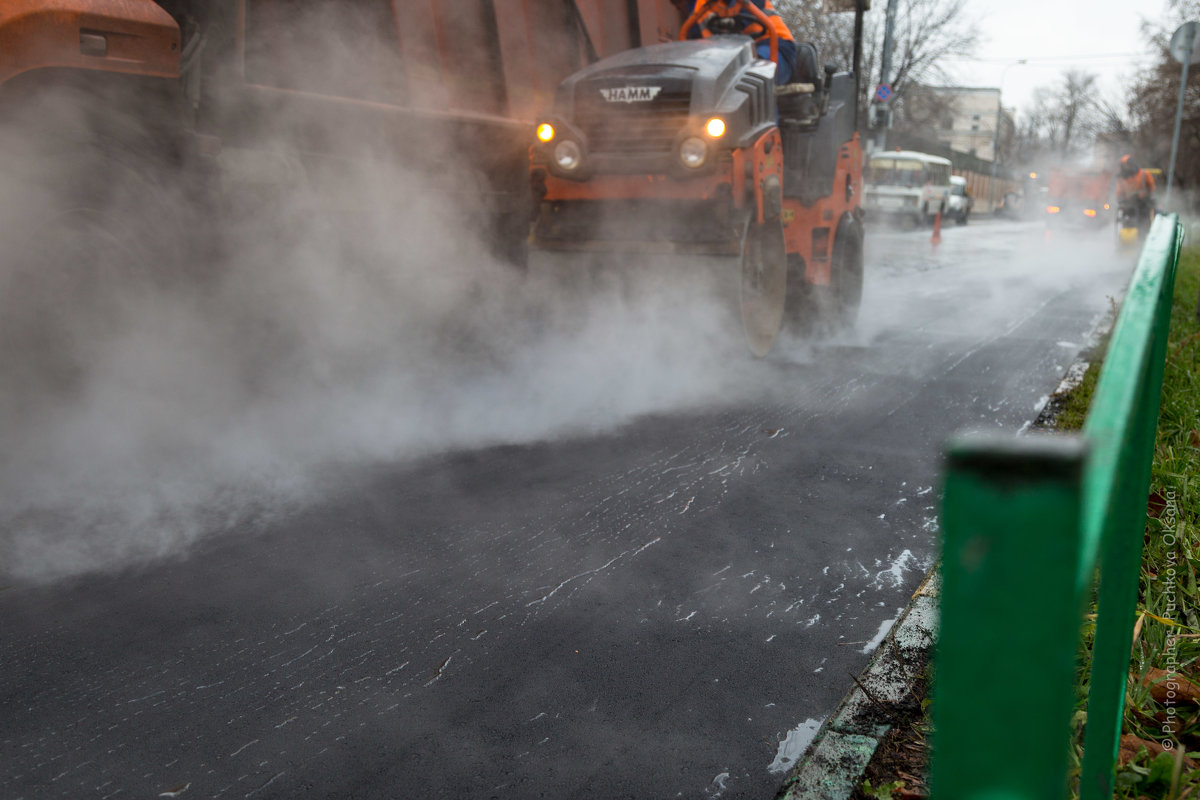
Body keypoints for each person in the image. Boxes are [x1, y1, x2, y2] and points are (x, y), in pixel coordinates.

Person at [686, 0, 798, 85]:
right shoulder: (698, 6)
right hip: (725, 56)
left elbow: (745, 15)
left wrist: (732, 22)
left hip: (773, 46)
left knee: (756, 75)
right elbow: (694, 37)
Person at [1116, 153, 1156, 226]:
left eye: (1127, 165)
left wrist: (1141, 195)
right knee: (1126, 220)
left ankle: (1144, 232)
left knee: (1144, 221)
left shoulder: (1144, 174)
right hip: (1129, 205)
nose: (1126, 167)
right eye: (1124, 166)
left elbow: (1151, 187)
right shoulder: (1122, 178)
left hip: (1144, 204)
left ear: (1132, 164)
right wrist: (1121, 199)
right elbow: (1119, 192)